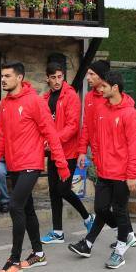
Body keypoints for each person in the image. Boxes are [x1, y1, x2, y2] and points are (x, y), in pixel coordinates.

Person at [0, 62, 70, 272]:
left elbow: (51, 134)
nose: (3, 80)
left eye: (7, 76)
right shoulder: (4, 105)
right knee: (27, 209)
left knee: (14, 206)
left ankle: (14, 260)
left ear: (20, 77)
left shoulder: (34, 101)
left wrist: (61, 165)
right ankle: (38, 254)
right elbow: (1, 136)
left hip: (31, 163)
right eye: (1, 75)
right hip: (14, 165)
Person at [68, 71, 136, 269]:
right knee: (100, 208)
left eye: (104, 87)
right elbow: (98, 141)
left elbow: (135, 146)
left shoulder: (130, 114)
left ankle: (119, 251)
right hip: (104, 171)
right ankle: (126, 234)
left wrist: (132, 174)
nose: (100, 90)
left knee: (119, 209)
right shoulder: (103, 112)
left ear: (115, 88)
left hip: (122, 173)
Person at [40, 62, 94, 244]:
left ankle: (87, 217)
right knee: (53, 193)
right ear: (47, 78)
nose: (57, 81)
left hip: (68, 152)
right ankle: (57, 232)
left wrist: (53, 140)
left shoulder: (71, 96)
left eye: (60, 77)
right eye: (53, 77)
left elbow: (72, 127)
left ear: (64, 77)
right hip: (53, 153)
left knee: (62, 189)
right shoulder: (46, 98)